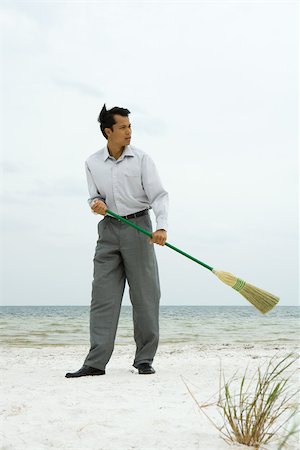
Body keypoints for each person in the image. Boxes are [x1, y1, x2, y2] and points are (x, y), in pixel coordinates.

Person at [65, 104, 169, 378]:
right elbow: (94, 196)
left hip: (139, 227)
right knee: (102, 297)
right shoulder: (92, 162)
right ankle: (95, 363)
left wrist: (162, 227)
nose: (129, 132)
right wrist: (96, 203)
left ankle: (144, 359)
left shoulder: (142, 159)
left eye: (130, 126)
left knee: (145, 296)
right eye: (123, 127)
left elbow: (159, 195)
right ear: (107, 131)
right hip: (109, 230)